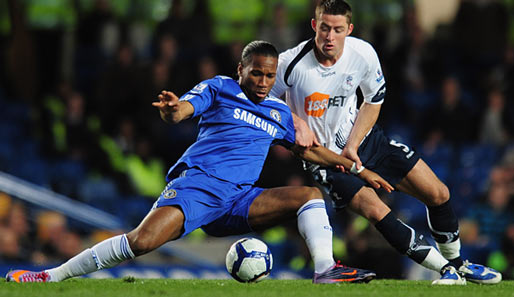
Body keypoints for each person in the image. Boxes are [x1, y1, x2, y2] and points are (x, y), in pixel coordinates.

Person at [6, 40, 394, 284]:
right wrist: (173, 110)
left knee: (310, 194)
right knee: (141, 242)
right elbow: (183, 111)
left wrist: (359, 169)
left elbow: (308, 151)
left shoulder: (277, 111)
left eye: (269, 75)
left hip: (241, 198)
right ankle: (50, 275)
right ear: (241, 69)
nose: (262, 80)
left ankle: (325, 270)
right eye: (255, 72)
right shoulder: (219, 88)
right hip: (200, 188)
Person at [269, 0, 502, 285]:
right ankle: (446, 271)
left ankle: (458, 265)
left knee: (438, 193)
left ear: (349, 29)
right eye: (325, 28)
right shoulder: (288, 64)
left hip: (367, 141)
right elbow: (263, 99)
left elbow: (373, 99)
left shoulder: (363, 52)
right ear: (314, 25)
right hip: (326, 160)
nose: (330, 36)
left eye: (338, 29)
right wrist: (295, 121)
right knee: (377, 210)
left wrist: (353, 145)